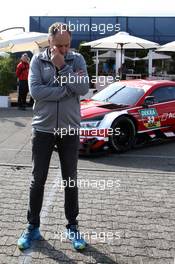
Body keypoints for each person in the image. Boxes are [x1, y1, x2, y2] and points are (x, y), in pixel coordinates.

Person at [17, 22, 89, 251]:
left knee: (70, 179)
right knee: (38, 179)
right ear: (50, 42)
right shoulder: (37, 61)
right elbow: (36, 91)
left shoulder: (77, 60)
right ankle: (32, 227)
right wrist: (66, 90)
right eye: (60, 45)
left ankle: (72, 227)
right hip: (43, 129)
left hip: (69, 129)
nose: (65, 49)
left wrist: (64, 68)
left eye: (68, 44)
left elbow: (84, 88)